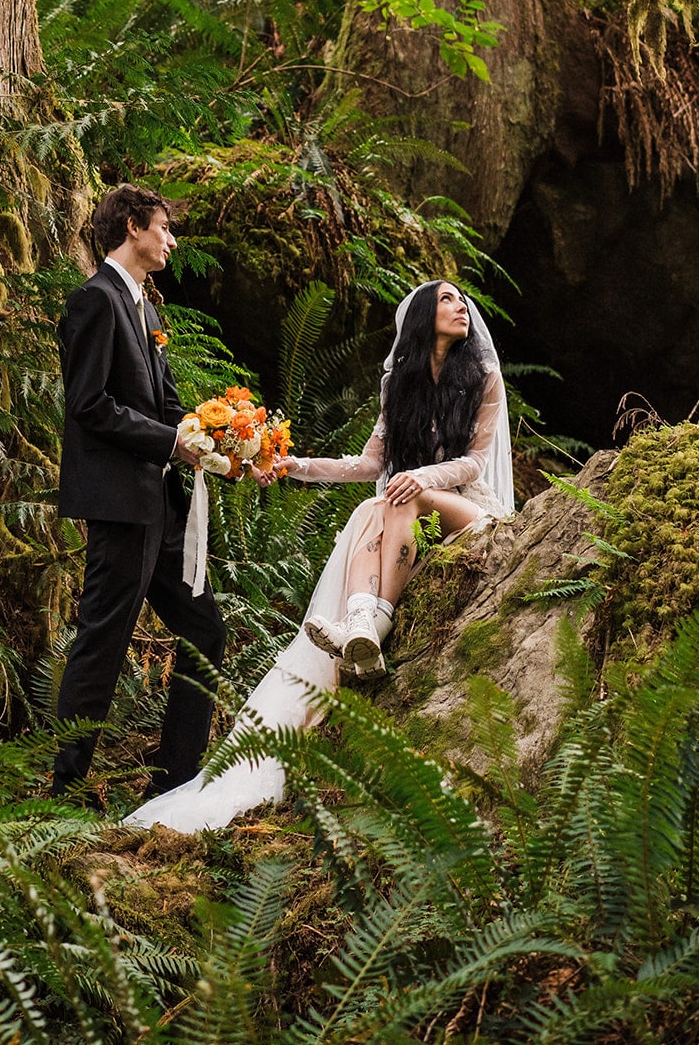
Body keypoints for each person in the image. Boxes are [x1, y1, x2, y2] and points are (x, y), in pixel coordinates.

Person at [124, 279, 513, 833]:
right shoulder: (398, 386)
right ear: (424, 317)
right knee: (372, 509)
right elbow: (364, 464)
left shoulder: (484, 378)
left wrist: (419, 476)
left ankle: (369, 620)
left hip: (470, 507)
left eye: (463, 301)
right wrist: (295, 466)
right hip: (409, 505)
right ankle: (362, 623)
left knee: (398, 494)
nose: (462, 309)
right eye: (448, 300)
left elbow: (476, 462)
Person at [52, 184, 227, 804]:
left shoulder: (147, 308)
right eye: (165, 227)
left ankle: (174, 783)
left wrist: (214, 440)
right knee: (102, 641)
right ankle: (63, 791)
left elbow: (168, 399)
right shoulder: (94, 301)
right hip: (121, 506)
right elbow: (89, 405)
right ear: (132, 226)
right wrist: (167, 443)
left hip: (162, 507)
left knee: (205, 630)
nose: (172, 240)